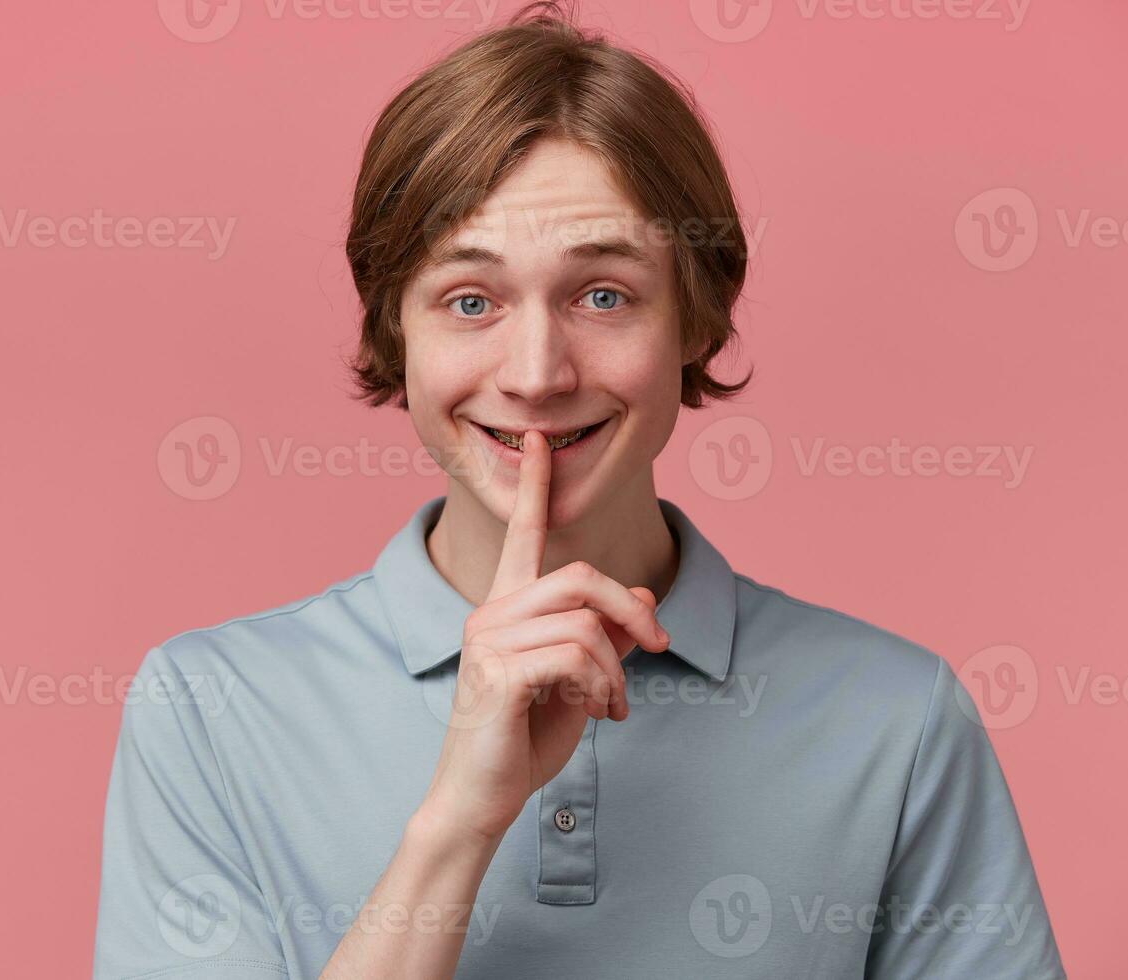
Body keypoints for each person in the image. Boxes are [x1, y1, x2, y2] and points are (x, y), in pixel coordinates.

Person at [93, 4, 1067, 977]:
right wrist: (457, 824)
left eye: (603, 293)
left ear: (698, 319)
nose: (536, 372)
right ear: (398, 332)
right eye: (470, 300)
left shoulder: (900, 716)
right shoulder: (206, 707)